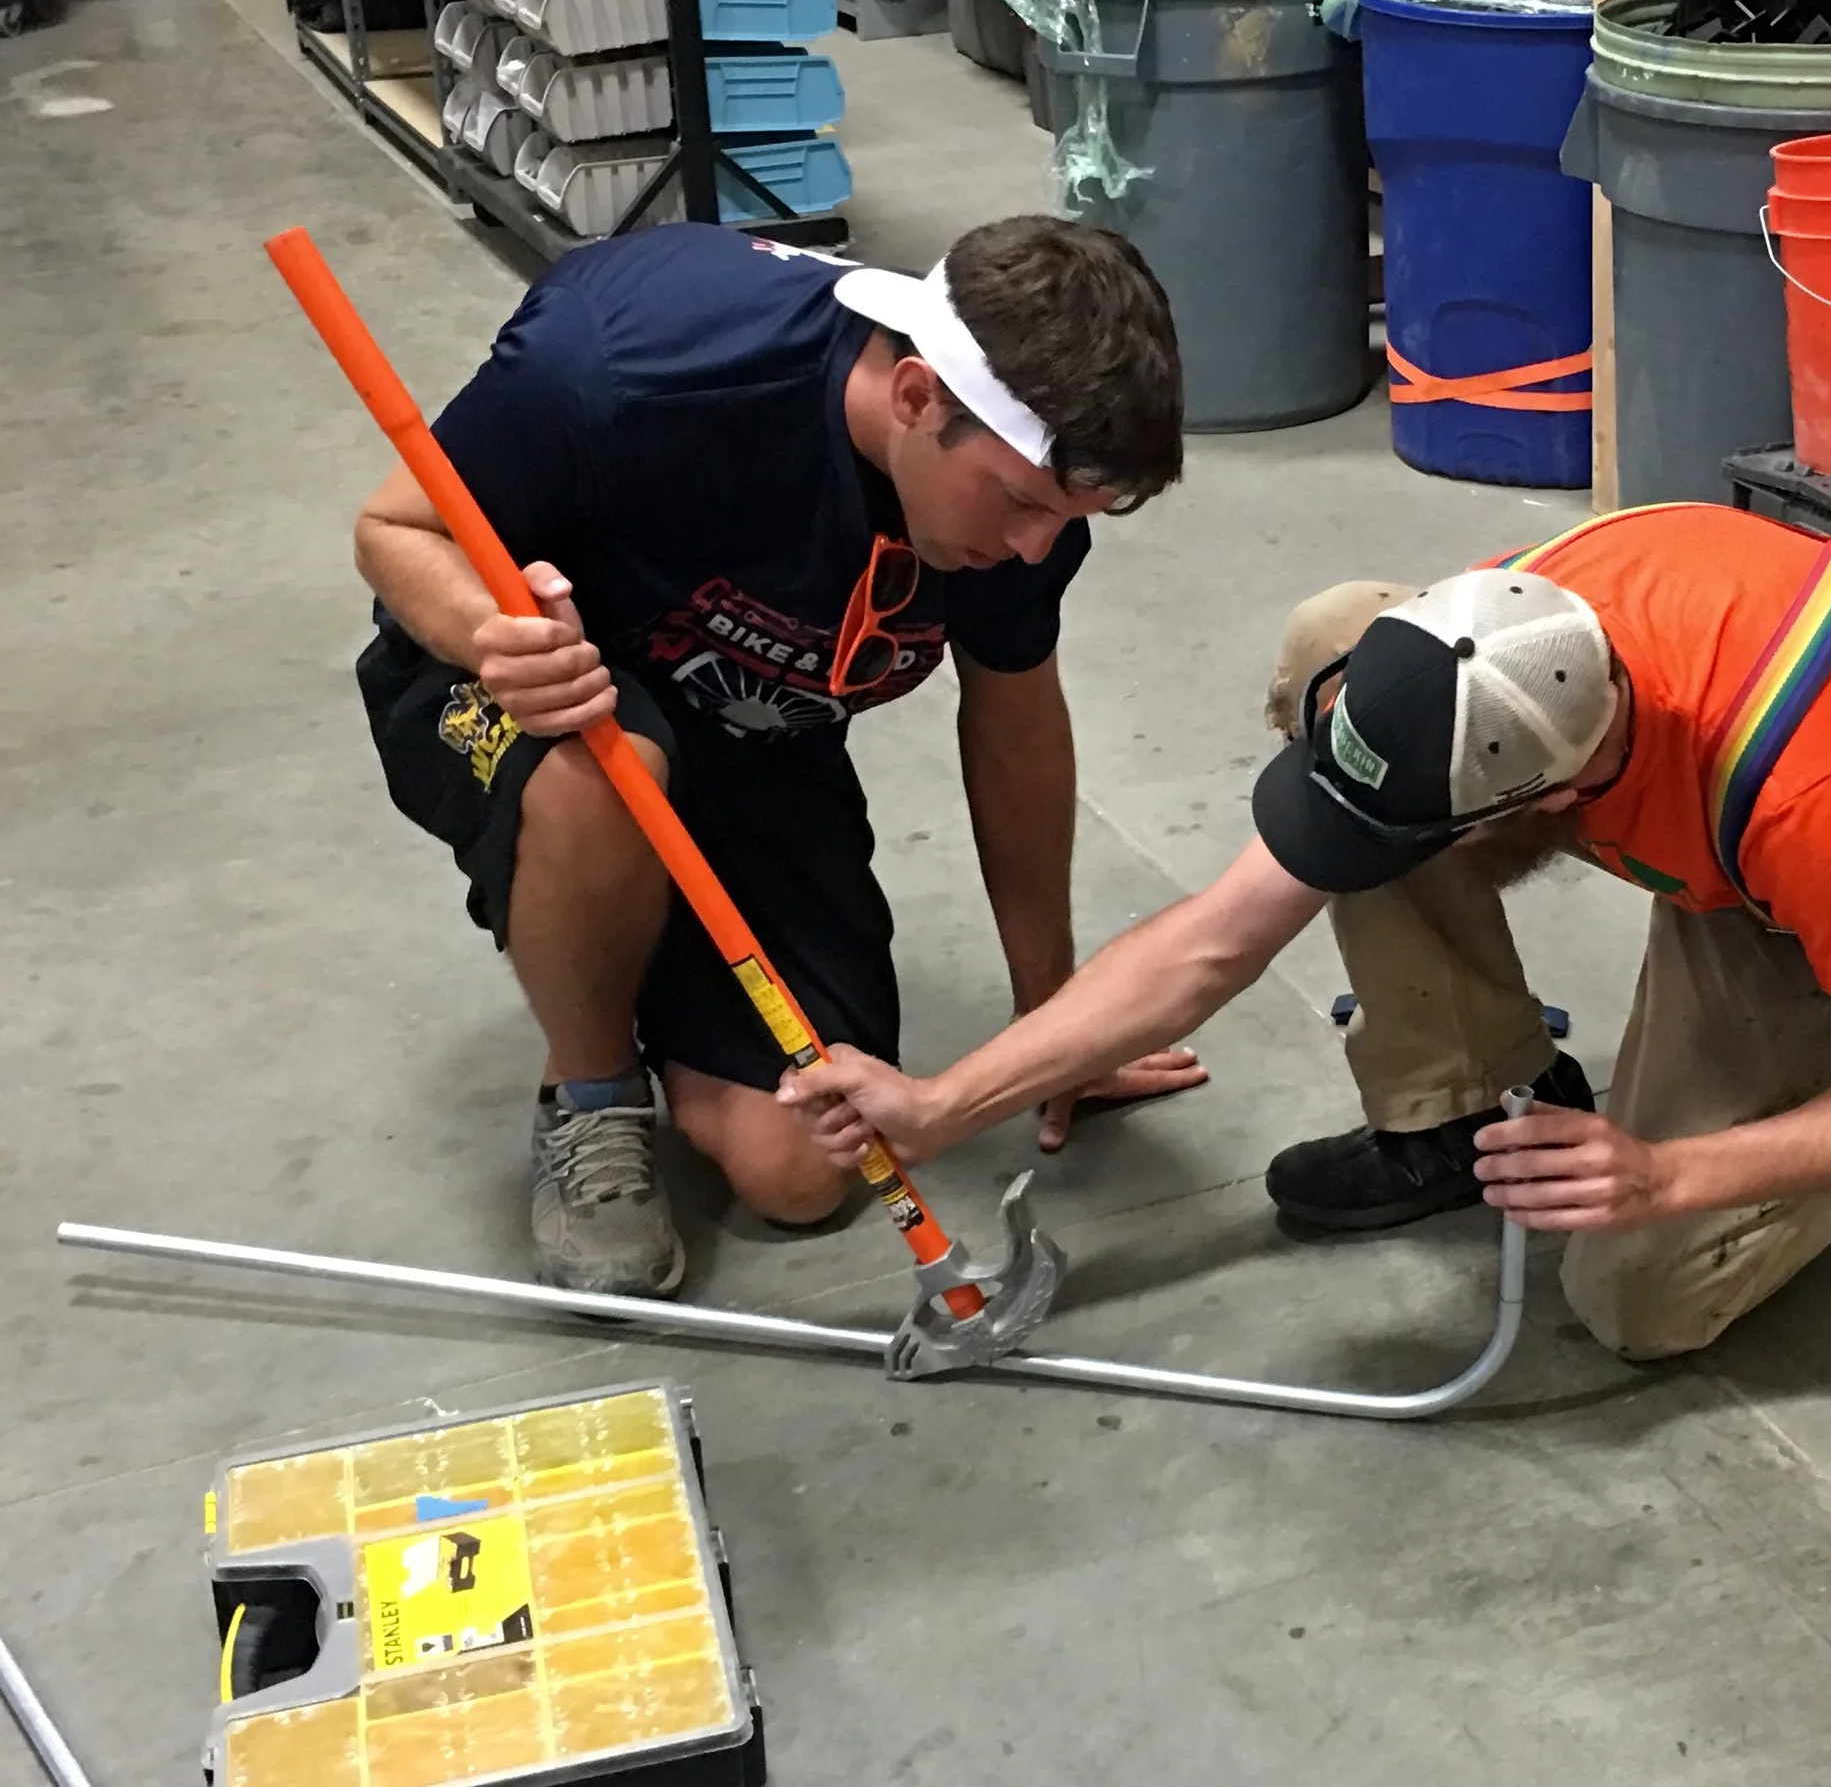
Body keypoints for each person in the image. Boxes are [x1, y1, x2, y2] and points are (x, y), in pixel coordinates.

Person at [777, 504, 1831, 1359]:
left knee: (1636, 1298)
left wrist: (1663, 1177)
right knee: (1326, 639)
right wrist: (946, 1102)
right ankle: (1458, 1103)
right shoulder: (1500, 633)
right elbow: (1217, 940)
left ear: (1554, 804)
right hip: (1706, 805)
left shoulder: (1810, 809)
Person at [353, 218, 1207, 1300]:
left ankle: (631, 945)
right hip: (525, 681)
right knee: (594, 767)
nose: (1038, 546)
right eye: (1025, 506)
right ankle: (591, 1088)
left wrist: (1055, 1021)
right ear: (913, 398)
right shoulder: (627, 364)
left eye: (1074, 516)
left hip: (754, 733)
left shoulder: (1014, 494)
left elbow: (1014, 723)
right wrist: (493, 639)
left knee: (798, 1169)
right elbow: (395, 530)